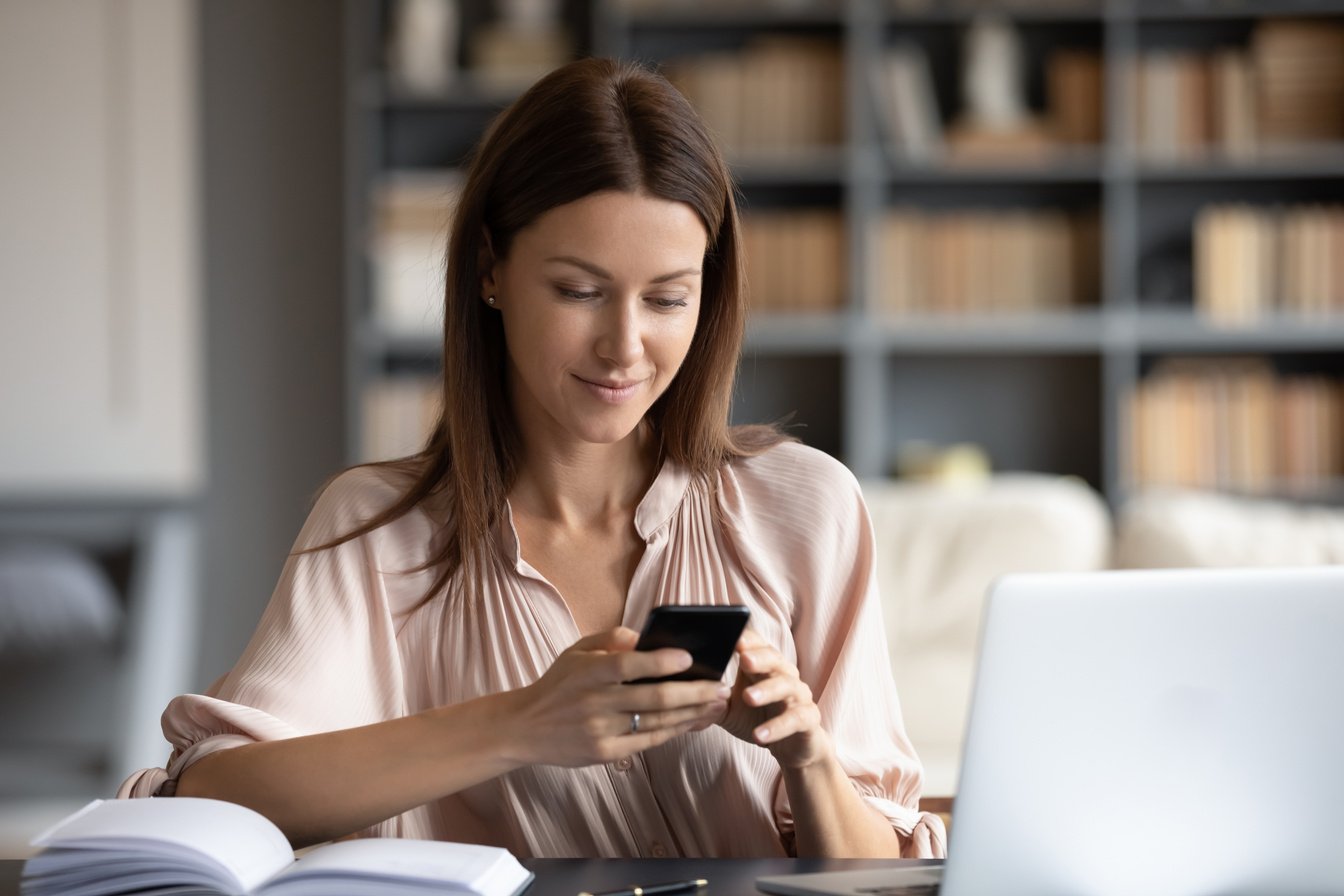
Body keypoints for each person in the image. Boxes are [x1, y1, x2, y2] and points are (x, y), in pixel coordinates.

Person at [120, 57, 946, 860]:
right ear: (490, 271)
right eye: (579, 291)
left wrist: (808, 755)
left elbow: (880, 867)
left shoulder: (807, 506)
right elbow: (215, 795)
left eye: (667, 298)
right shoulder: (379, 531)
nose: (625, 347)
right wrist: (521, 722)